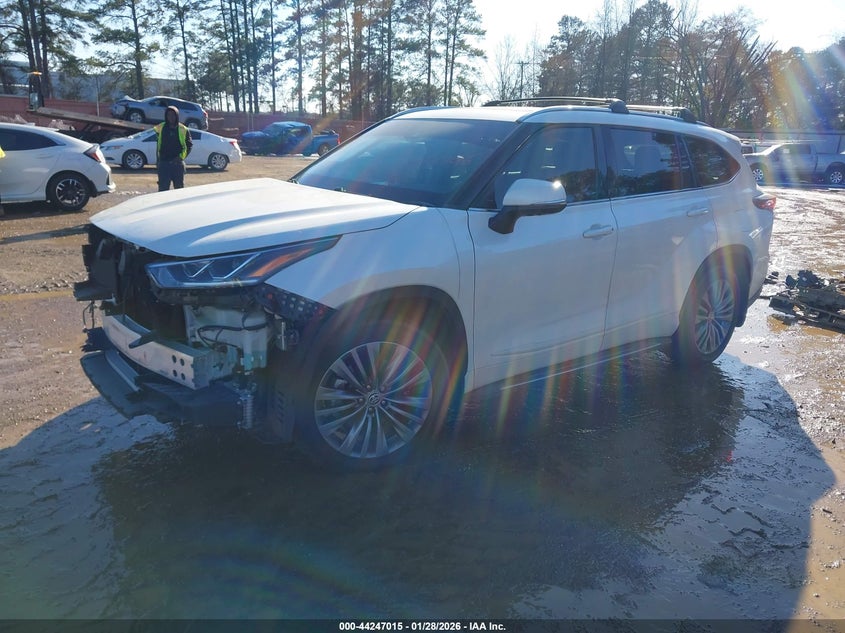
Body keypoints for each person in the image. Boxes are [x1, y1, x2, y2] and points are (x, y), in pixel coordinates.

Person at [154, 105, 193, 191]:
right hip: (164, 163)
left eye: (173, 115)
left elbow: (189, 146)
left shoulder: (183, 129)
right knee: (163, 191)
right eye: (169, 115)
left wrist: (180, 157)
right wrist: (158, 162)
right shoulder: (160, 128)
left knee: (179, 191)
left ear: (177, 116)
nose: (171, 117)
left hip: (177, 164)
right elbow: (158, 145)